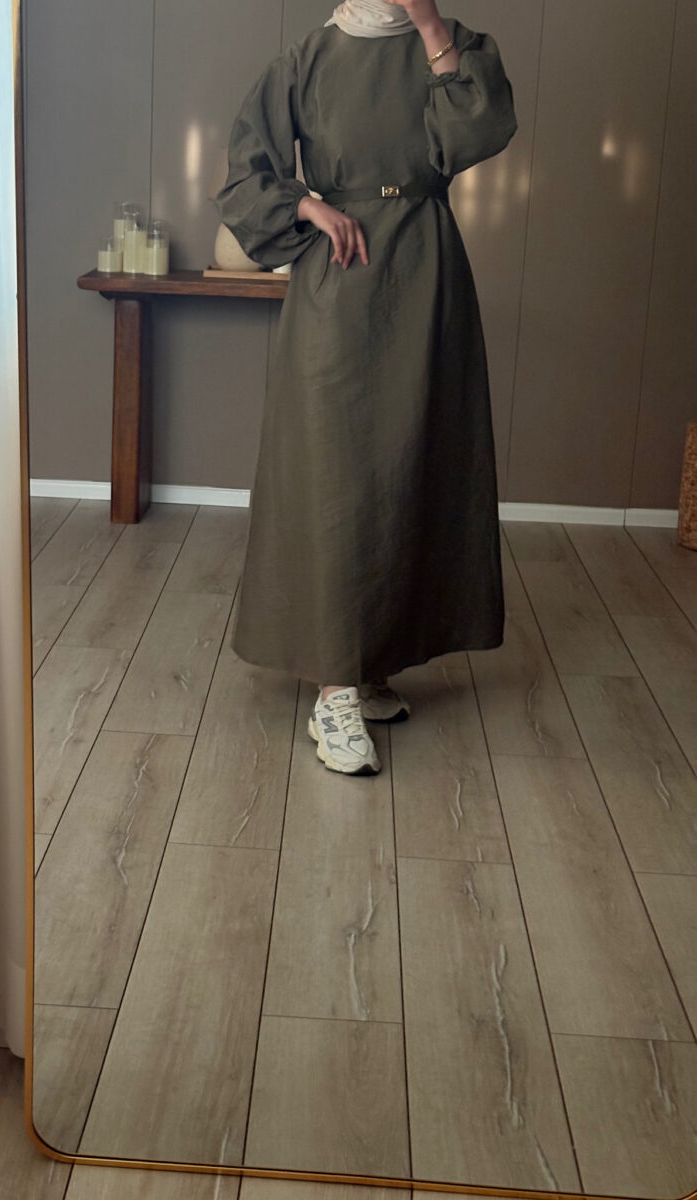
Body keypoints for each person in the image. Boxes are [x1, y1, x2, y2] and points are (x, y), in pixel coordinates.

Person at [214, 0, 518, 776]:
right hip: (341, 282)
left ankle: (371, 662)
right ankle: (334, 686)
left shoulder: (454, 45)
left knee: (411, 470)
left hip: (427, 275)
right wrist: (305, 204)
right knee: (338, 480)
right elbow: (245, 174)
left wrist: (431, 28)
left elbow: (476, 134)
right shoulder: (307, 60)